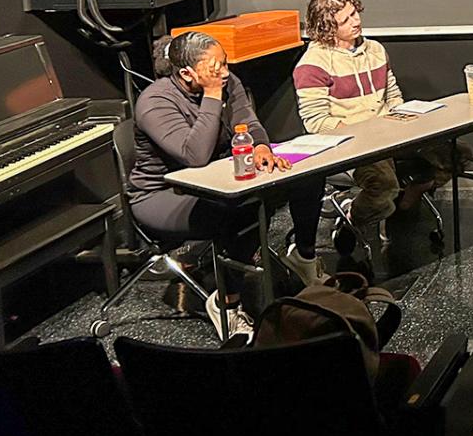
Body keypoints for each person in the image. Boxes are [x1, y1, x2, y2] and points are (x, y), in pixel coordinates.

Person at [131, 32, 328, 341]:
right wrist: (211, 95)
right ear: (186, 74)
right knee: (239, 210)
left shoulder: (227, 81)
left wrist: (262, 147)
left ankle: (303, 258)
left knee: (307, 176)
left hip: (219, 177)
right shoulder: (154, 102)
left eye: (224, 64)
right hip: (164, 194)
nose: (224, 73)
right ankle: (225, 303)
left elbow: (248, 123)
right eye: (215, 67)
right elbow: (194, 156)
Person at [292, 0, 457, 237]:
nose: (356, 21)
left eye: (355, 13)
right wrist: (363, 136)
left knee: (457, 154)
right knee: (383, 189)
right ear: (327, 25)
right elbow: (316, 121)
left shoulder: (376, 50)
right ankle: (353, 218)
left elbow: (393, 96)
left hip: (390, 133)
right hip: (352, 146)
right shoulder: (312, 65)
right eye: (346, 19)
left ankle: (410, 195)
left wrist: (402, 120)